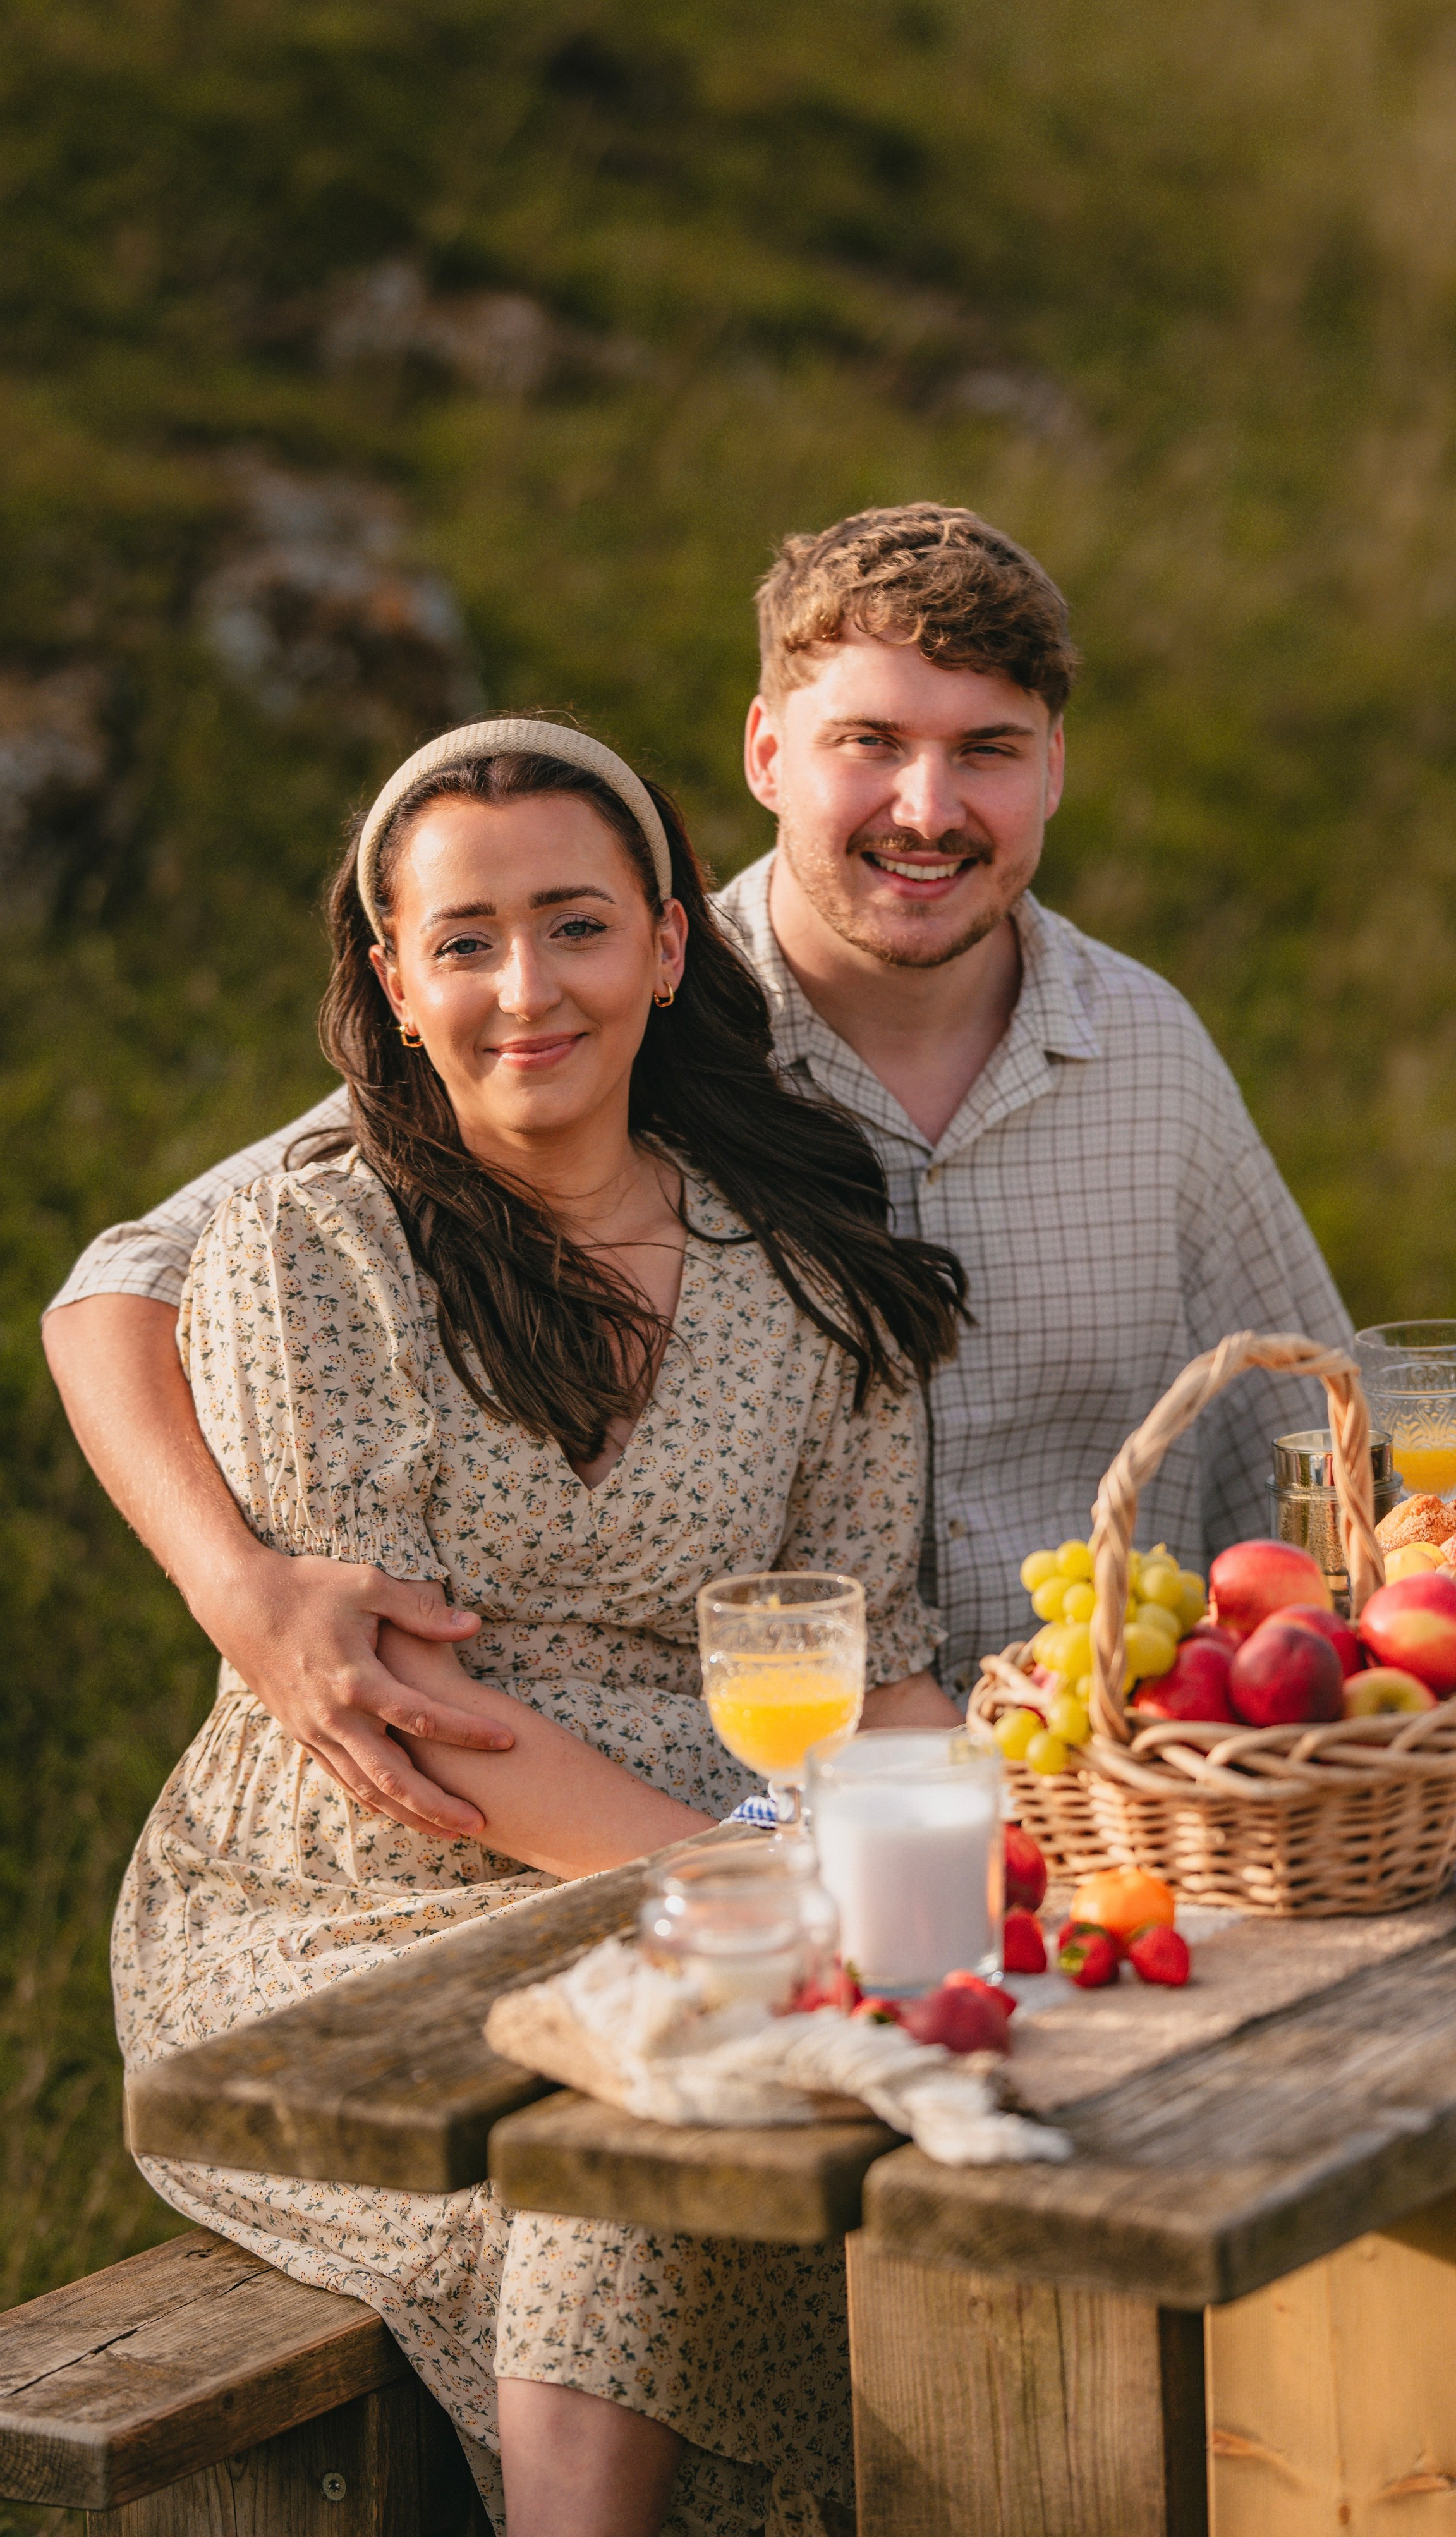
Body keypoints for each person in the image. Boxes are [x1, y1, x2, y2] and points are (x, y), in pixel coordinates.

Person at [46, 504, 1351, 1764]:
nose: (927, 806)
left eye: (989, 750)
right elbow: (122, 1287)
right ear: (768, 751)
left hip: (1127, 1773)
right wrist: (240, 1588)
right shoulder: (603, 1013)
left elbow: (1314, 1430)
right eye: (871, 740)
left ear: (1055, 766)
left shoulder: (1148, 1048)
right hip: (780, 1790)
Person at [107, 718, 964, 2536]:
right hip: (350, 1899)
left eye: (575, 927)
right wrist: (751, 1909)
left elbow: (881, 1659)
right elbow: (392, 1702)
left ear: (667, 946)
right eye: (467, 941)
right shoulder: (308, 1240)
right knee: (619, 2146)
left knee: (943, 2126)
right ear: (392, 982)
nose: (526, 990)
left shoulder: (800, 1256)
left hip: (730, 1863)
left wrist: (920, 1887)